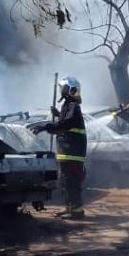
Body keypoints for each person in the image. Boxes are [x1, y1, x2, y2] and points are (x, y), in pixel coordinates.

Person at [32, 76, 87, 218]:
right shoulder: (69, 105)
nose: (61, 90)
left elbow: (65, 125)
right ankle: (69, 207)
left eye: (63, 88)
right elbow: (66, 122)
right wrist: (59, 114)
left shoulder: (72, 106)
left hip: (72, 151)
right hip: (67, 150)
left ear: (69, 89)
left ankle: (77, 212)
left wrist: (45, 127)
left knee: (71, 181)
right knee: (65, 181)